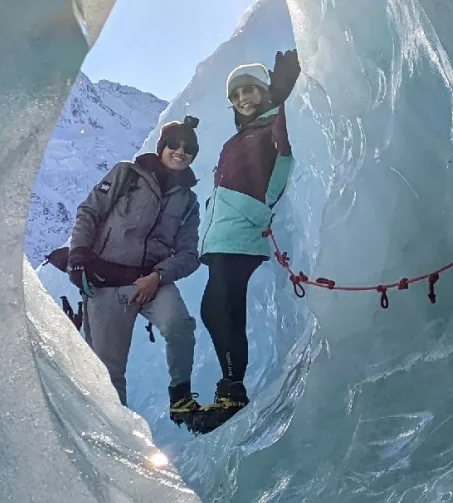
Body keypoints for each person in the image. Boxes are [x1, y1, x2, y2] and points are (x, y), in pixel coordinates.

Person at [66, 117, 206, 429]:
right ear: (162, 147)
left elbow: (188, 254)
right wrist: (78, 255)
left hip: (151, 281)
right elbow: (89, 210)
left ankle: (181, 399)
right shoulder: (127, 174)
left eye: (189, 148)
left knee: (179, 325)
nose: (180, 152)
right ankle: (117, 437)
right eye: (174, 144)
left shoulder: (189, 202)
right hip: (105, 281)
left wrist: (157, 276)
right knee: (108, 371)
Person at [193, 49, 302, 433]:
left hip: (242, 229)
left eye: (251, 90)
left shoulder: (274, 124)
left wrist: (287, 94)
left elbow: (288, 143)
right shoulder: (241, 136)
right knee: (217, 309)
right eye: (236, 96)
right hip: (223, 234)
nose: (243, 99)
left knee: (220, 308)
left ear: (265, 91)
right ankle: (230, 390)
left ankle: (232, 393)